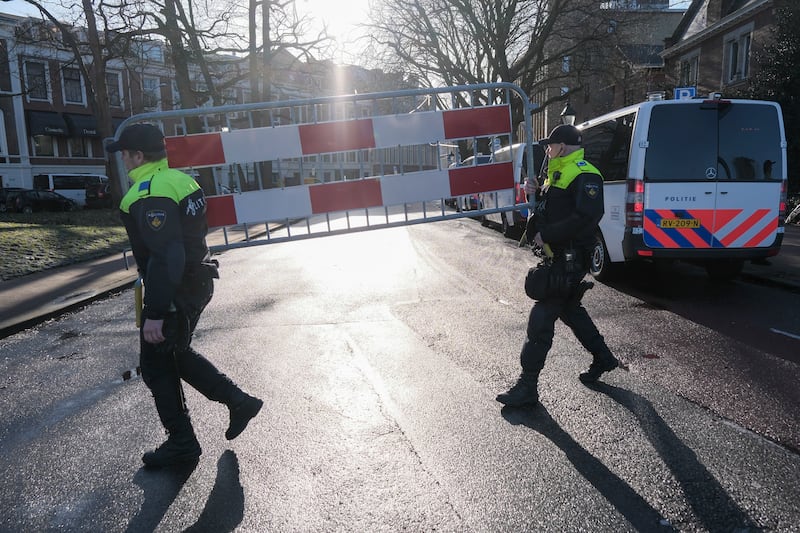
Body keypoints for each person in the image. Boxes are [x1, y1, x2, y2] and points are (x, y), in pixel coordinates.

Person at [107, 123, 263, 467]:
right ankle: (236, 404)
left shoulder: (146, 194)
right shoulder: (182, 180)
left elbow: (167, 255)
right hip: (196, 281)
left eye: (124, 153)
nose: (122, 159)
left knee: (155, 364)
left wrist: (156, 312)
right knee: (173, 354)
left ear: (138, 155)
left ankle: (184, 441)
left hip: (176, 290)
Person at [497, 124, 620, 408]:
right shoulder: (558, 172)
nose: (548, 150)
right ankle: (604, 358)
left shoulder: (586, 173)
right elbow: (554, 208)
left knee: (541, 316)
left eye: (550, 146)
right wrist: (537, 192)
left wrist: (547, 235)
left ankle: (527, 387)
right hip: (560, 255)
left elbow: (586, 217)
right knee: (569, 310)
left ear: (561, 147)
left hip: (572, 256)